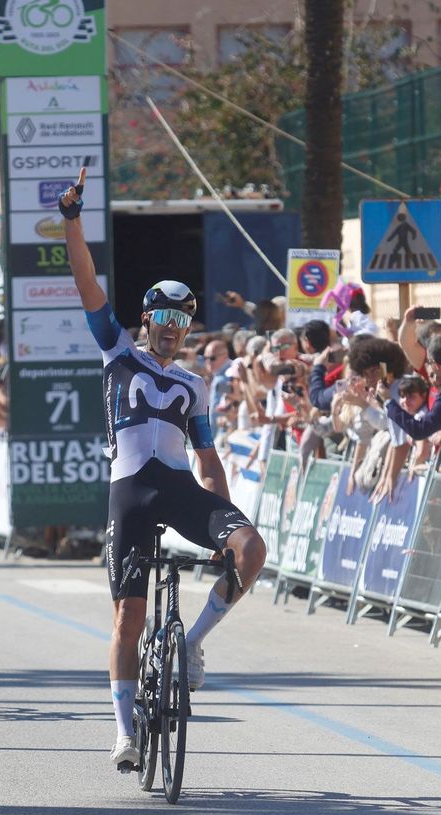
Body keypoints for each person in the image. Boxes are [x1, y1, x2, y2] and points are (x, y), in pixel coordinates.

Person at [60, 169, 267, 770]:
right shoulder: (117, 351)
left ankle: (192, 645)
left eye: (182, 326)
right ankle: (125, 733)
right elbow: (85, 280)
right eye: (164, 323)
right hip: (130, 493)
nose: (173, 333)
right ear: (147, 322)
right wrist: (72, 220)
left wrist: (227, 521)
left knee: (252, 549)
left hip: (177, 488)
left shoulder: (194, 384)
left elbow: (207, 460)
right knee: (128, 619)